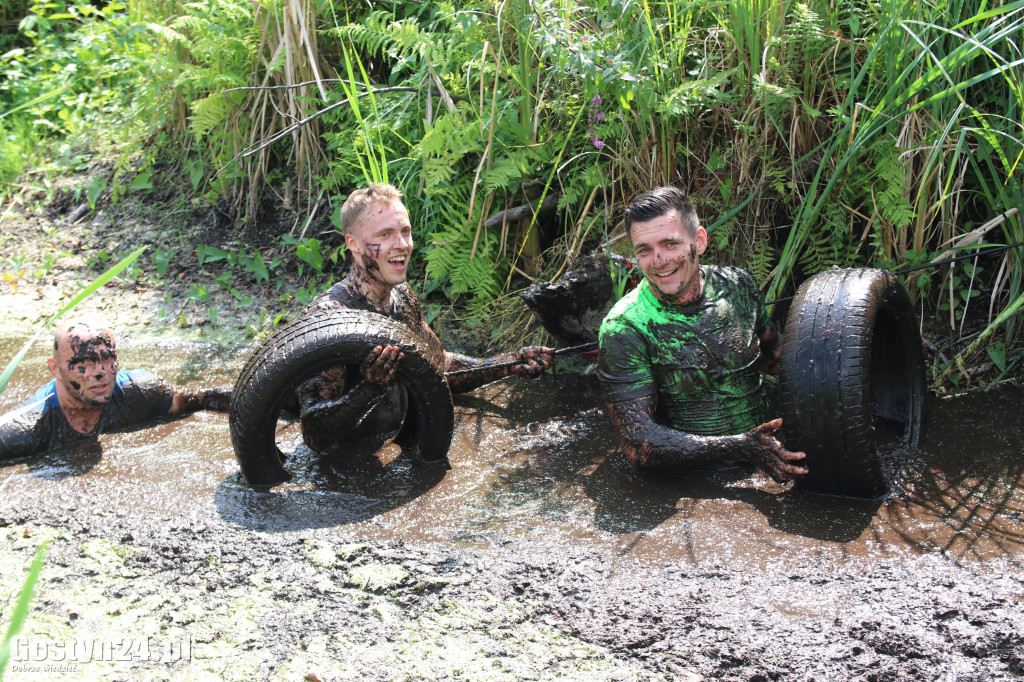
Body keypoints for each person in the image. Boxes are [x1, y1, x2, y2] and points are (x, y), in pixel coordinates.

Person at [297, 183, 554, 455]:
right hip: (341, 467)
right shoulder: (330, 318)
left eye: (405, 231)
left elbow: (440, 366)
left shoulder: (402, 297)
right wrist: (369, 388)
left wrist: (508, 363)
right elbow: (315, 435)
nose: (402, 244)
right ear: (354, 244)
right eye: (385, 234)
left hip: (394, 445)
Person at [597, 187, 807, 482]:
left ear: (700, 241)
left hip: (769, 457)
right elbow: (638, 446)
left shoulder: (738, 286)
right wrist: (742, 446)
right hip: (692, 483)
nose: (658, 260)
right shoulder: (624, 328)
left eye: (670, 244)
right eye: (644, 250)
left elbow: (774, 359)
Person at [0, 319, 231, 460]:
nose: (100, 371)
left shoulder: (139, 391)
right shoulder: (28, 427)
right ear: (57, 369)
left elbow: (203, 399)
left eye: (107, 359)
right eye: (85, 363)